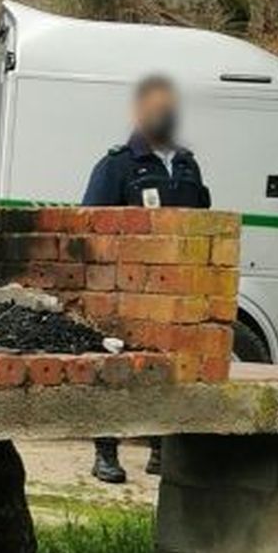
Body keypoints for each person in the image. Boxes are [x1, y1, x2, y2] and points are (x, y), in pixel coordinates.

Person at [81, 74, 211, 483]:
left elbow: (203, 225)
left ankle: (160, 448)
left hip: (176, 293)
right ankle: (106, 452)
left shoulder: (188, 166)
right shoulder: (116, 165)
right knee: (116, 371)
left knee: (167, 372)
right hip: (126, 290)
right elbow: (92, 227)